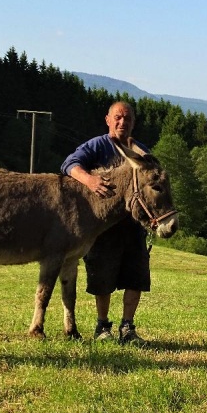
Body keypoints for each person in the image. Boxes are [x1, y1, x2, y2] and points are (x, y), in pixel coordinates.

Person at [61, 101, 151, 346]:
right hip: (102, 229)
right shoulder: (97, 146)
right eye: (118, 118)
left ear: (133, 122)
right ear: (108, 120)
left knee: (136, 277)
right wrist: (89, 181)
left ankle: (128, 328)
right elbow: (69, 164)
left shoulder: (140, 150)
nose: (123, 123)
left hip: (133, 227)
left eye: (128, 119)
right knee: (103, 278)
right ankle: (102, 326)